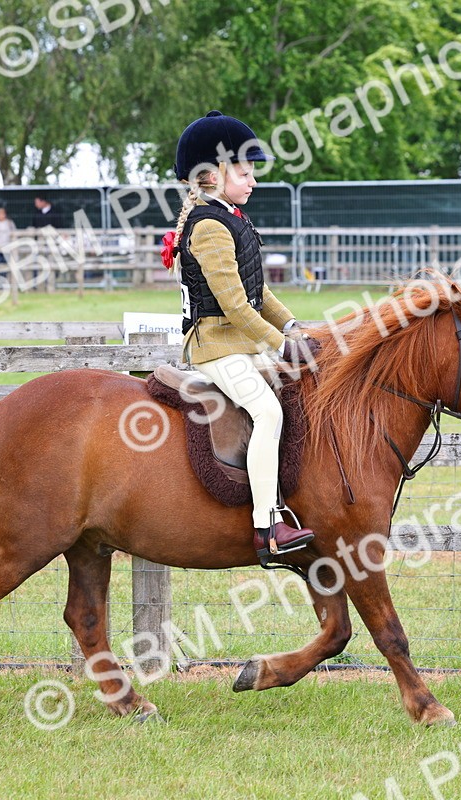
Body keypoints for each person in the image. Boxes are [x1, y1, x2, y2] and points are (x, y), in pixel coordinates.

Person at [170, 110, 316, 564]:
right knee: (268, 411)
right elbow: (234, 304)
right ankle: (266, 527)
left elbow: (259, 291)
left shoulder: (230, 217)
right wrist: (280, 344)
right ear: (212, 175)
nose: (253, 181)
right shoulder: (210, 227)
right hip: (216, 346)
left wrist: (294, 326)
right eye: (246, 172)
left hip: (241, 342)